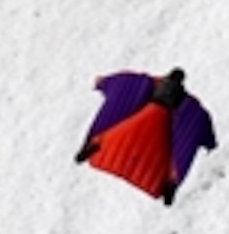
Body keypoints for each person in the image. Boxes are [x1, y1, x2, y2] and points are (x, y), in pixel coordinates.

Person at [77, 67, 217, 205]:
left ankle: (90, 151)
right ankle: (167, 191)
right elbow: (200, 136)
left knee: (106, 140)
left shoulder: (132, 83)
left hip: (111, 148)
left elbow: (107, 83)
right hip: (151, 174)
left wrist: (101, 82)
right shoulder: (193, 114)